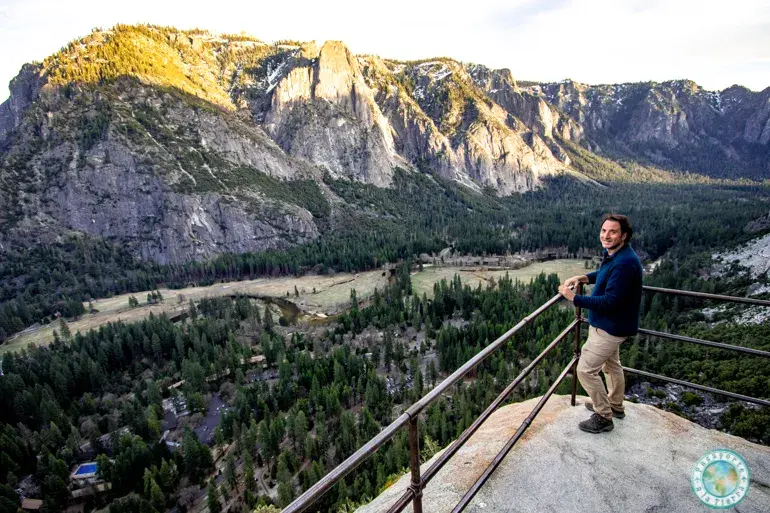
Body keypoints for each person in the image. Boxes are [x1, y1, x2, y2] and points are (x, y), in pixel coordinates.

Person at [558, 213, 643, 434]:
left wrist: (573, 297)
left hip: (609, 328)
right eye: (604, 230)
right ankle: (614, 406)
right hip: (613, 326)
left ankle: (604, 416)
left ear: (623, 235)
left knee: (585, 370)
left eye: (612, 231)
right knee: (612, 366)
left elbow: (610, 302)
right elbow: (605, 274)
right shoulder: (618, 255)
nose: (606, 235)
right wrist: (583, 277)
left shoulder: (624, 263)